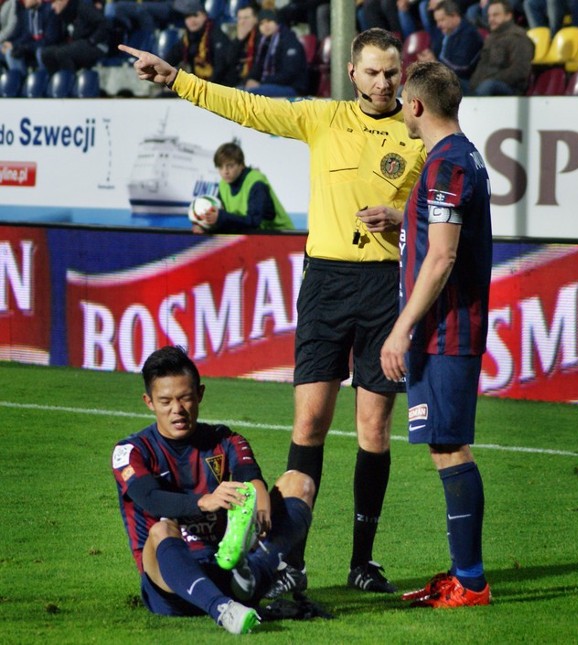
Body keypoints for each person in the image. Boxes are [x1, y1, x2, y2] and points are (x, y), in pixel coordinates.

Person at [118, 27, 426, 596]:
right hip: (326, 285)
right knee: (309, 422)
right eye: (374, 72)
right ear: (352, 73)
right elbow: (248, 106)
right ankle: (290, 560)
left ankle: (363, 561)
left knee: (373, 429)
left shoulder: (419, 132)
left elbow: (441, 213)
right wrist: (177, 79)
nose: (384, 82)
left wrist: (402, 220)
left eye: (392, 72)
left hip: (386, 287)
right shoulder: (323, 118)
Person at [380, 60, 492, 609]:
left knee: (449, 447)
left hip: (444, 331)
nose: (400, 107)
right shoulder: (457, 157)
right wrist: (401, 217)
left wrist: (401, 330)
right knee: (444, 448)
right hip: (443, 331)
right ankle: (462, 575)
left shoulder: (447, 165)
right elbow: (440, 232)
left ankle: (471, 581)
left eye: (403, 100)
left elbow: (443, 255)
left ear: (417, 106)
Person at [112, 345, 315, 635]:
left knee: (299, 482)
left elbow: (251, 477)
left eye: (185, 398)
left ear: (200, 394)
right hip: (170, 584)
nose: (177, 410)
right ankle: (222, 608)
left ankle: (248, 572)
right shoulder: (131, 450)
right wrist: (205, 502)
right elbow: (151, 499)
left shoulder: (225, 439)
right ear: (149, 402)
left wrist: (259, 509)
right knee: (161, 530)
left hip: (227, 566)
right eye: (165, 401)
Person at [192, 141, 294, 233]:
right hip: (255, 236)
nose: (225, 172)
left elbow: (254, 222)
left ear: (241, 165)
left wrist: (220, 217)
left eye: (230, 166)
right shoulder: (223, 184)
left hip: (282, 235)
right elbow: (223, 218)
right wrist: (205, 226)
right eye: (220, 167)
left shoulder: (256, 182)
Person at [469, 0, 534, 96]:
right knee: (452, 85)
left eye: (495, 15)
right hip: (483, 84)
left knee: (488, 86)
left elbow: (520, 70)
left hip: (509, 88)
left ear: (508, 16)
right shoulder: (491, 38)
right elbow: (481, 67)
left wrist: (491, 78)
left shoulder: (518, 37)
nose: (491, 19)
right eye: (489, 16)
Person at [416, 0, 484, 91]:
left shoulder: (470, 34)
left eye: (442, 20)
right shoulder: (444, 33)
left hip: (463, 81)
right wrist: (428, 57)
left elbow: (462, 68)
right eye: (437, 21)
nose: (439, 25)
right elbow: (437, 56)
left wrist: (435, 63)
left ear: (454, 15)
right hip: (444, 77)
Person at [165, 0, 234, 86]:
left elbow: (221, 68)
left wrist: (206, 88)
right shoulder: (187, 38)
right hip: (199, 87)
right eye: (187, 16)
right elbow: (170, 59)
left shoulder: (216, 35)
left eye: (195, 15)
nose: (192, 20)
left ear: (204, 16)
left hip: (219, 87)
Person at [244, 7, 308, 97]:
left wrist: (261, 82)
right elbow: (257, 68)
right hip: (270, 84)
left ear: (276, 21)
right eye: (261, 23)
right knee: (238, 91)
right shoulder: (264, 43)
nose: (265, 26)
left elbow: (290, 73)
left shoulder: (289, 40)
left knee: (252, 93)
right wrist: (250, 80)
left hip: (291, 87)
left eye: (269, 21)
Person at [40, 0, 110, 74]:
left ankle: (70, 81)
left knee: (63, 53)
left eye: (54, 2)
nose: (52, 7)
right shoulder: (64, 14)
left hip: (96, 45)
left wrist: (92, 40)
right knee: (46, 54)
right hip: (77, 45)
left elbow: (104, 24)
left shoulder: (82, 7)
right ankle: (56, 81)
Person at [2, 0, 62, 76]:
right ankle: (19, 84)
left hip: (46, 48)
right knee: (9, 51)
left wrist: (24, 47)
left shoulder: (50, 11)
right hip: (29, 47)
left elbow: (50, 40)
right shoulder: (25, 13)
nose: (24, 1)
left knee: (40, 52)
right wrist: (11, 43)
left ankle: (43, 81)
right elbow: (20, 34)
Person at [228, 1, 260, 88]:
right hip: (237, 81)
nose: (242, 22)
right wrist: (239, 40)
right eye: (239, 18)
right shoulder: (239, 36)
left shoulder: (261, 36)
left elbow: (259, 64)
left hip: (254, 82)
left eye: (246, 18)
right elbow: (228, 62)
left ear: (256, 19)